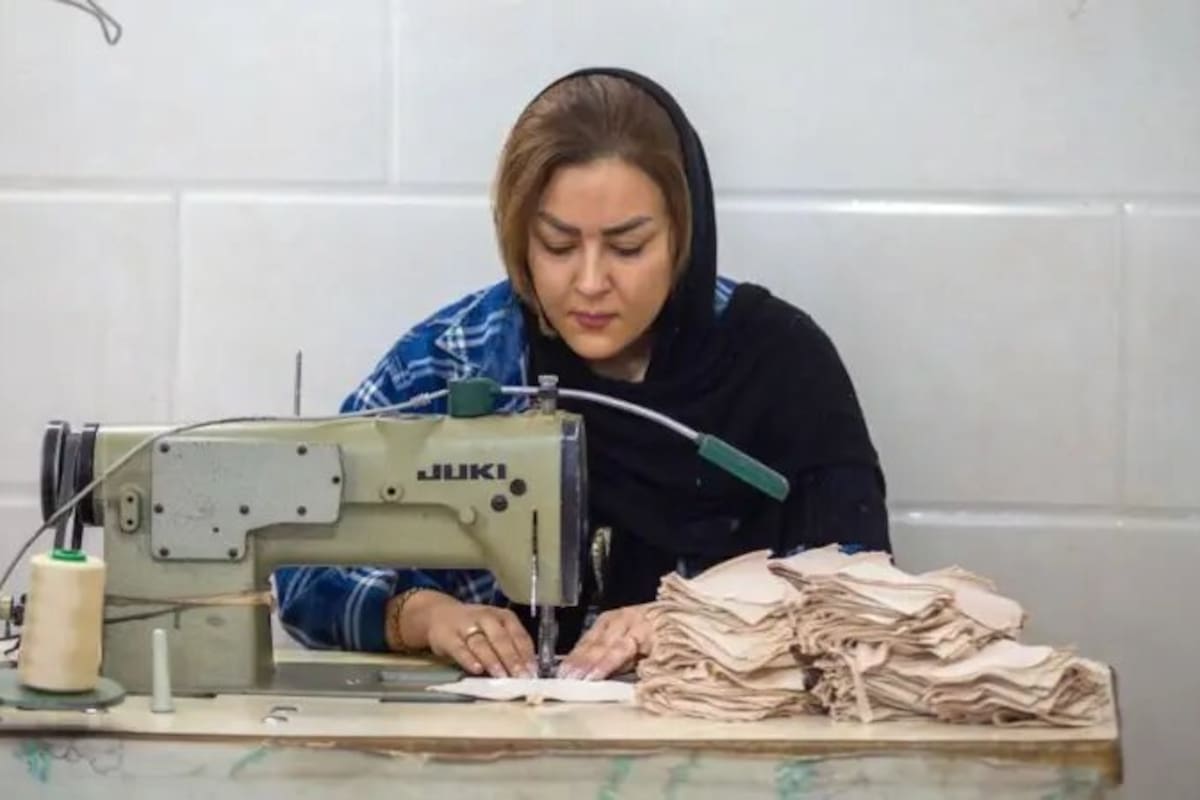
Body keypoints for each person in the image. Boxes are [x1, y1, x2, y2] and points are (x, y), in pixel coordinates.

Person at [274, 67, 890, 682]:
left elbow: (864, 582)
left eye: (628, 248)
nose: (591, 283)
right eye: (557, 246)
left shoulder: (780, 363)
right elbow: (299, 563)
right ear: (518, 238)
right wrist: (424, 616)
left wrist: (696, 618)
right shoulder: (458, 359)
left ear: (684, 236)